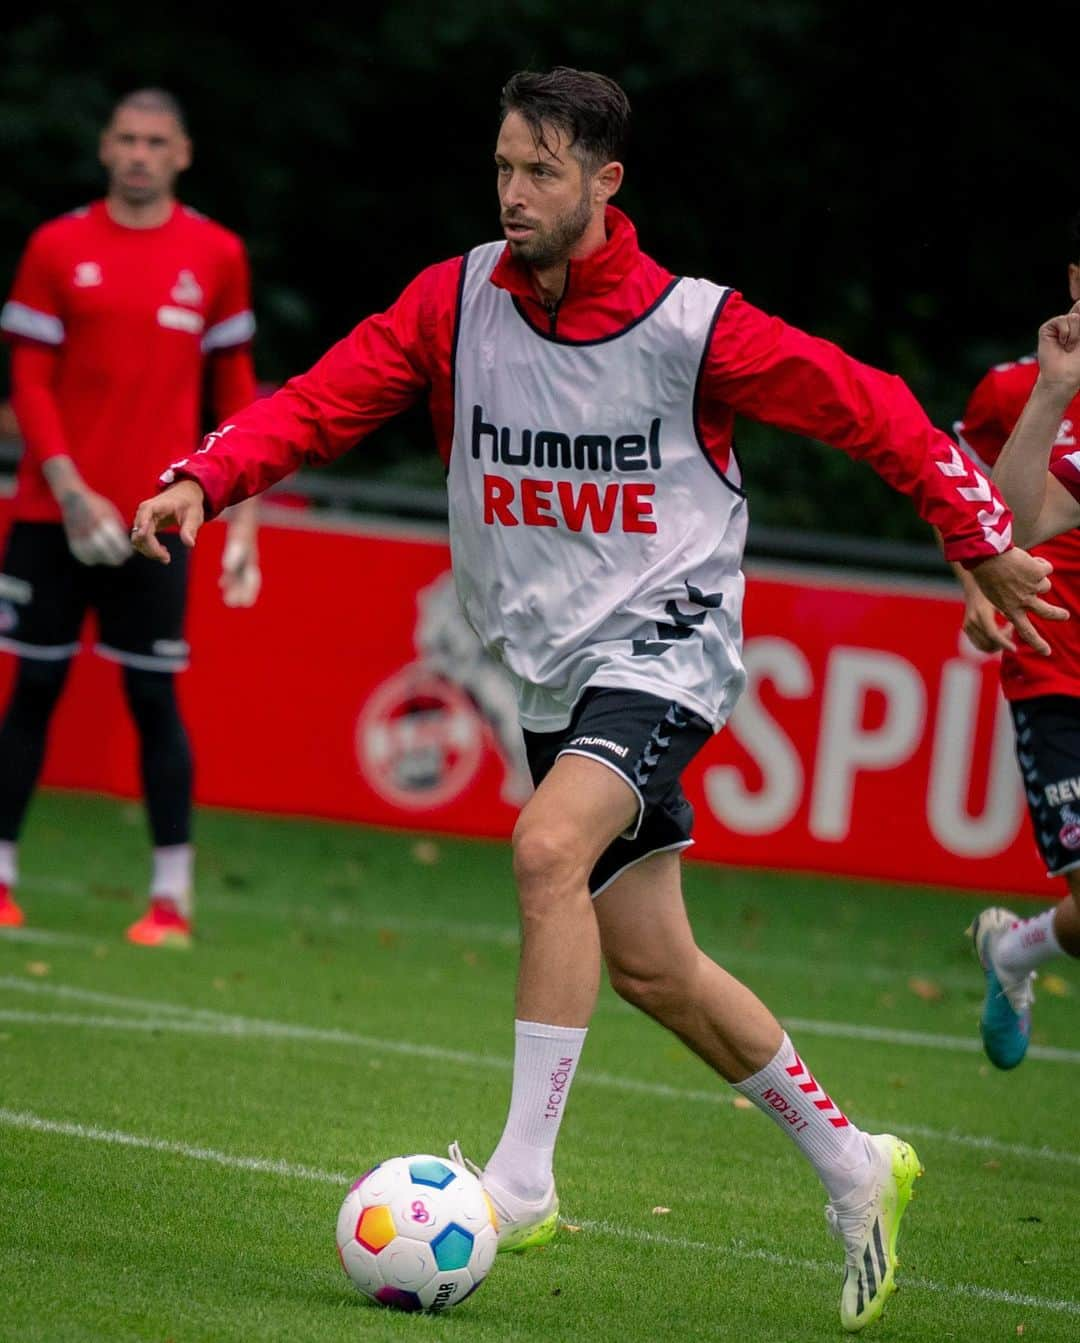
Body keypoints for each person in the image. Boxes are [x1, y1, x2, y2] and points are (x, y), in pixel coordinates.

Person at [132, 68, 1064, 1331]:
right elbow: (326, 396)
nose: (515, 193)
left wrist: (975, 527)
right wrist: (207, 475)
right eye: (505, 167)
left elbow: (871, 408)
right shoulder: (455, 300)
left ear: (605, 181)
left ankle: (519, 1178)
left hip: (667, 646)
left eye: (543, 170)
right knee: (655, 967)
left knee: (544, 848)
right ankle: (856, 1161)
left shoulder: (694, 327)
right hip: (553, 665)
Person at [0, 87, 261, 949]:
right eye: (126, 138)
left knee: (153, 695)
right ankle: (1, 881)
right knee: (31, 687)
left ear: (182, 153)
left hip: (159, 523)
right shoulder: (55, 246)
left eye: (157, 140)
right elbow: (29, 382)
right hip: (51, 515)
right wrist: (71, 491)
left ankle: (171, 900)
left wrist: (243, 521)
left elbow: (236, 392)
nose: (140, 153)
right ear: (105, 148)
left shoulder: (217, 254)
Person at [956, 290, 1080, 1068]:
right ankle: (1012, 955)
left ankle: (1016, 949)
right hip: (1055, 661)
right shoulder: (1015, 385)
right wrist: (1053, 391)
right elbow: (996, 518)